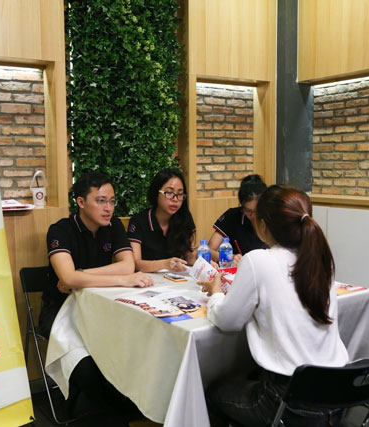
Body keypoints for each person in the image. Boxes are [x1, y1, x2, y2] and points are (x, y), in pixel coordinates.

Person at [199, 185, 349, 427]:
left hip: (285, 402)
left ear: (263, 225)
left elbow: (227, 321)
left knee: (210, 393)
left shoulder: (258, 260)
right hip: (335, 395)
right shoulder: (320, 260)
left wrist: (216, 293)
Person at [40, 171, 154, 415]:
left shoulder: (113, 226)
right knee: (88, 368)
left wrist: (80, 274)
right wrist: (120, 279)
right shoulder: (60, 230)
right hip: (61, 313)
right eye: (101, 201)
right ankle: (114, 414)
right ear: (81, 202)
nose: (108, 208)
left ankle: (130, 408)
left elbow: (128, 265)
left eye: (112, 201)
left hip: (102, 310)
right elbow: (68, 279)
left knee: (136, 346)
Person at [127, 169, 196, 273]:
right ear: (156, 192)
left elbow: (188, 256)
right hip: (147, 279)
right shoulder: (139, 221)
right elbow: (135, 264)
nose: (175, 199)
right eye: (169, 193)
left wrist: (202, 261)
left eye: (180, 194)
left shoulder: (184, 218)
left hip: (175, 278)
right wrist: (164, 264)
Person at [208, 174, 267, 266]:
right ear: (242, 206)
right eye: (248, 211)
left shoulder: (272, 218)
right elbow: (208, 250)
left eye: (258, 210)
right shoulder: (232, 216)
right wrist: (228, 257)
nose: (253, 216)